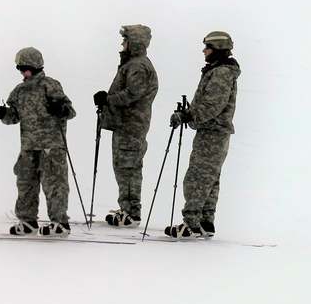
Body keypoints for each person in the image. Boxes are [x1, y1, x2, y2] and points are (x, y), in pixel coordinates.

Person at [0, 47, 77, 236]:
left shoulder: (50, 85)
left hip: (51, 146)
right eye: (19, 68)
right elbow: (13, 116)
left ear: (35, 66)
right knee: (25, 183)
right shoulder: (20, 90)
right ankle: (27, 221)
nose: (22, 72)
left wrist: (59, 108)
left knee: (54, 184)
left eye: (24, 67)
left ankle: (60, 222)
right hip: (28, 146)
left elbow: (70, 111)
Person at [165, 31, 241, 239]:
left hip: (212, 132)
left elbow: (212, 106)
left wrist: (187, 115)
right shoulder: (218, 71)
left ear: (216, 49)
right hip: (214, 131)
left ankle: (191, 224)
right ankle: (205, 221)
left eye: (207, 47)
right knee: (209, 177)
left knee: (198, 177)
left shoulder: (221, 73)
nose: (204, 50)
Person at [93, 25, 159, 227]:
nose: (122, 44)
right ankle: (127, 209)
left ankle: (131, 213)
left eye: (126, 40)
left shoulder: (138, 66)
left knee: (128, 168)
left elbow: (132, 93)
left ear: (135, 42)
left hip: (131, 126)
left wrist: (108, 99)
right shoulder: (132, 64)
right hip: (126, 125)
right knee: (123, 167)